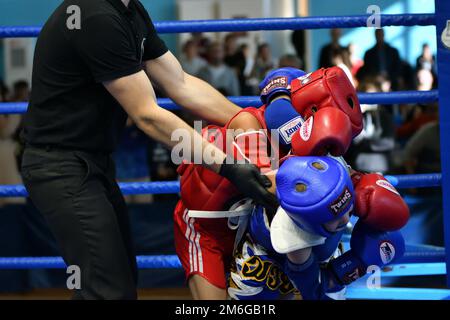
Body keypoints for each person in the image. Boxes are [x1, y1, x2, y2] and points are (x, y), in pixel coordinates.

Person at [20, 0, 275, 300]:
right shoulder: (96, 16)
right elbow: (147, 115)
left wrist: (248, 123)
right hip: (60, 167)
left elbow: (180, 83)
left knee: (116, 282)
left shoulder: (130, 11)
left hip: (92, 164)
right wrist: (229, 166)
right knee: (107, 289)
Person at [174, 67, 307, 300]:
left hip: (253, 230)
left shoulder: (306, 147)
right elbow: (265, 185)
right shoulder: (249, 123)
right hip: (205, 230)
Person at [228, 156, 407, 300]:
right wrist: (348, 270)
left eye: (348, 207)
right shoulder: (294, 238)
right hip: (264, 264)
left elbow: (352, 179)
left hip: (320, 251)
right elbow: (312, 291)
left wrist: (363, 183)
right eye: (335, 217)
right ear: (310, 222)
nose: (345, 219)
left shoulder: (335, 169)